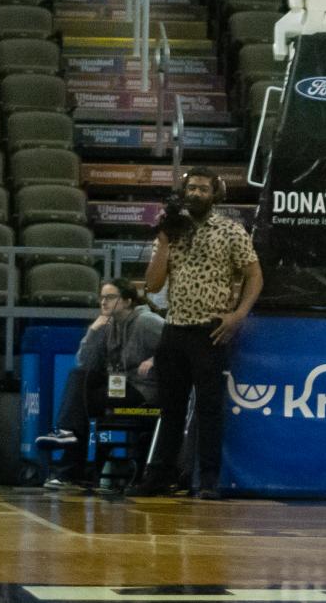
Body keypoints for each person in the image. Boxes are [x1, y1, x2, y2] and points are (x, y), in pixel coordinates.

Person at [137, 168, 262, 498]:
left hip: (210, 332)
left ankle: (208, 480)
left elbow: (255, 276)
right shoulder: (172, 231)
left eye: (203, 189)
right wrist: (163, 242)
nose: (195, 193)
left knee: (209, 409)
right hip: (175, 329)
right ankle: (160, 476)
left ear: (215, 194)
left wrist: (238, 315)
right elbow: (152, 285)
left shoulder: (230, 231)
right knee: (170, 409)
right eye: (191, 188)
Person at [41, 278, 162, 488]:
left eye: (110, 297)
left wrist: (153, 359)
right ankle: (70, 450)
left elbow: (175, 346)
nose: (104, 302)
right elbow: (84, 362)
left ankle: (69, 466)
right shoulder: (108, 325)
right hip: (119, 387)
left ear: (127, 301)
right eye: (102, 297)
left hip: (143, 389)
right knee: (80, 377)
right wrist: (94, 330)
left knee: (84, 401)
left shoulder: (146, 321)